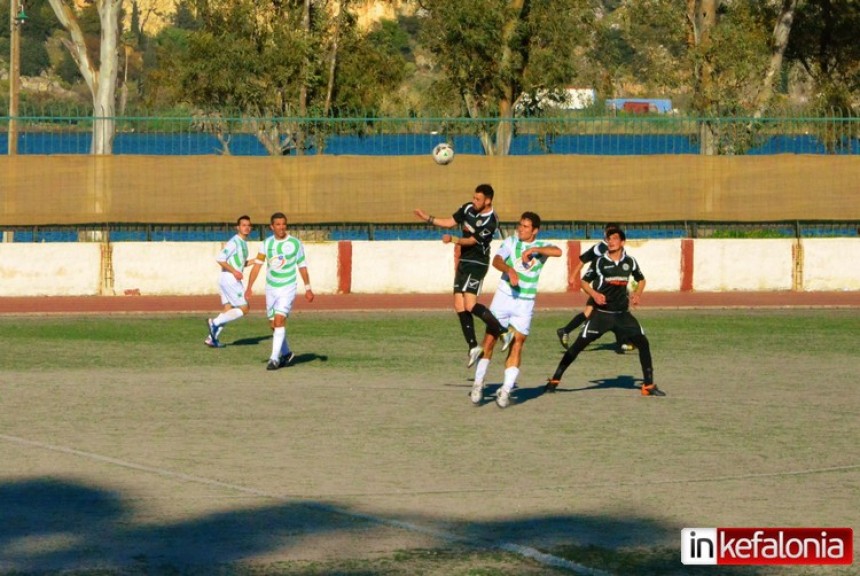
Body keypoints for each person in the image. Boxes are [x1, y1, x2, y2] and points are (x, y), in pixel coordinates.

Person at [546, 227, 664, 397]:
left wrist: (638, 293)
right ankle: (555, 380)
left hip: (623, 315)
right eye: (609, 239)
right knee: (577, 346)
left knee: (643, 344)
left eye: (615, 238)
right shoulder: (600, 262)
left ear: (622, 242)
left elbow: (641, 279)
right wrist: (594, 294)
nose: (611, 241)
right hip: (602, 315)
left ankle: (648, 385)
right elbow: (585, 282)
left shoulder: (630, 262)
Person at [470, 212, 561, 408]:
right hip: (504, 297)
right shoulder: (511, 242)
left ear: (535, 230)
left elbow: (558, 251)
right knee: (490, 339)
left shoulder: (542, 248)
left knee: (517, 343)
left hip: (525, 302)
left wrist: (535, 249)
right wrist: (509, 270)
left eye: (525, 226)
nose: (520, 229)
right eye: (520, 225)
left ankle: (506, 390)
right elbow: (497, 260)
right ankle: (478, 383)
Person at [414, 184, 507, 368]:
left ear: (488, 201)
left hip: (478, 263)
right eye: (473, 197)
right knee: (458, 305)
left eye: (478, 199)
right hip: (464, 261)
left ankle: (503, 331)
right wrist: (428, 218)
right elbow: (450, 222)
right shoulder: (467, 208)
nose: (474, 201)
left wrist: (453, 240)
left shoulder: (491, 221)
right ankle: (473, 347)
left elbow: (472, 241)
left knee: (470, 304)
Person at [246, 212, 315, 370]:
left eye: (284, 224)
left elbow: (302, 266)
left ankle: (274, 359)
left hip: (287, 287)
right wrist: (249, 287)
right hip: (271, 288)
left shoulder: (295, 243)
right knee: (273, 325)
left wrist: (308, 288)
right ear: (272, 227)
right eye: (278, 224)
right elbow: (257, 265)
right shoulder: (266, 244)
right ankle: (287, 353)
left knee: (279, 321)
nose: (281, 227)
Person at [556, 222, 634, 353]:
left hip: (613, 288)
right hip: (601, 288)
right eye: (609, 234)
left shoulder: (619, 248)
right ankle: (623, 342)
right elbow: (584, 259)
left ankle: (566, 330)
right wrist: (573, 275)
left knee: (593, 312)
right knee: (615, 313)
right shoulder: (600, 247)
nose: (611, 238)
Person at [206, 215, 253, 348]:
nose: (247, 228)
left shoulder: (243, 243)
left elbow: (240, 263)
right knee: (245, 308)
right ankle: (214, 322)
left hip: (225, 278)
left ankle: (211, 338)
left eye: (248, 225)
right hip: (230, 279)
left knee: (228, 309)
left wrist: (256, 261)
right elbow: (220, 258)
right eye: (243, 225)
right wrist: (235, 272)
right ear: (238, 227)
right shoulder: (234, 242)